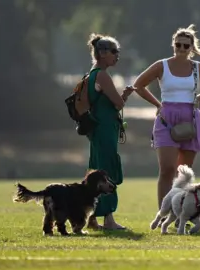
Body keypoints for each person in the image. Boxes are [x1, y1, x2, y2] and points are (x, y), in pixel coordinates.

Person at [130, 25, 200, 210]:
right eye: (178, 45)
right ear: (173, 45)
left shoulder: (197, 68)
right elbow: (138, 85)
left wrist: (199, 98)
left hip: (190, 118)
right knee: (167, 169)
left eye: (186, 46)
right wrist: (157, 104)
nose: (181, 49)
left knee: (183, 173)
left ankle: (180, 212)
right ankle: (163, 212)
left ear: (192, 48)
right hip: (166, 117)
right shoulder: (162, 65)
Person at [84, 33, 133, 230]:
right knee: (107, 171)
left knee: (95, 171)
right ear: (102, 53)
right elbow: (118, 103)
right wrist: (125, 95)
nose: (117, 56)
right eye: (114, 52)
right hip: (105, 129)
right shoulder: (103, 75)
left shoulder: (91, 74)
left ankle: (92, 218)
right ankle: (109, 219)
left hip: (97, 129)